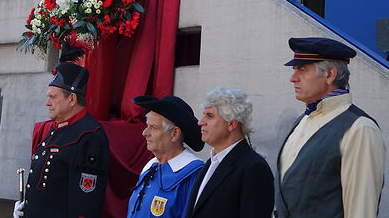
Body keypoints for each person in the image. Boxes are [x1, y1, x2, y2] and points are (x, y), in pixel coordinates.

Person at [276, 37, 386, 218]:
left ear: (329, 75)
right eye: (294, 69)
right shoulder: (301, 121)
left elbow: (361, 211)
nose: (292, 78)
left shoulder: (360, 129)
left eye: (302, 70)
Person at [14, 44, 109, 218]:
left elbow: (85, 203)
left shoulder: (89, 136)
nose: (47, 102)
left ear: (72, 99)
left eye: (53, 96)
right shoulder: (55, 130)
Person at [185, 88, 274, 218]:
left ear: (232, 124)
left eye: (209, 116)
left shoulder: (253, 167)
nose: (200, 122)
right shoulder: (212, 163)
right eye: (203, 115)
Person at [127, 95, 204, 218]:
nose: (145, 133)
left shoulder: (194, 174)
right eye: (147, 126)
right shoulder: (150, 166)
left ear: (174, 134)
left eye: (154, 127)